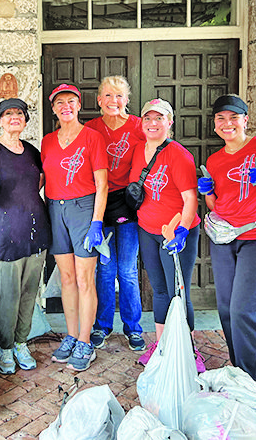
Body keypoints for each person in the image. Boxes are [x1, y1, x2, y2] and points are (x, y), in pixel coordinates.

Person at [198, 94, 256, 385]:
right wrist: (208, 192)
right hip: (224, 236)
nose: (227, 124)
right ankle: (240, 370)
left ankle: (253, 381)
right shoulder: (215, 160)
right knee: (224, 307)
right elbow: (216, 205)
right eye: (221, 119)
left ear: (245, 120)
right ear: (214, 125)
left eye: (233, 117)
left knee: (242, 308)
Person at [0, 98, 51, 374]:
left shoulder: (31, 151)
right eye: (8, 114)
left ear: (26, 120)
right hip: (5, 237)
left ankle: (21, 342)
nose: (14, 117)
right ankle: (5, 347)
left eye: (19, 113)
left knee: (30, 293)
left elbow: (38, 183)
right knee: (8, 297)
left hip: (35, 233)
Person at [131, 98, 204, 372]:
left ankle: (189, 349)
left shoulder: (179, 155)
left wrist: (183, 230)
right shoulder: (139, 150)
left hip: (176, 232)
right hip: (148, 230)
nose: (152, 123)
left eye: (159, 118)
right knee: (160, 290)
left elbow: (190, 199)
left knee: (179, 292)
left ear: (169, 123)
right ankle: (162, 347)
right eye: (148, 118)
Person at [41, 84, 108, 372]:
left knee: (84, 279)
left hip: (84, 208)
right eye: (60, 102)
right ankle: (70, 334)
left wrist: (96, 222)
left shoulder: (93, 138)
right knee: (66, 278)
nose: (65, 106)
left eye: (71, 101)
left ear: (79, 105)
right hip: (55, 208)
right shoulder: (47, 141)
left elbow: (102, 184)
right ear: (53, 108)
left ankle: (85, 340)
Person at [84, 77, 146, 352]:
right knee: (106, 271)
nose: (113, 101)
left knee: (129, 271)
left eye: (119, 96)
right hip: (101, 203)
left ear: (127, 99)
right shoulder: (91, 128)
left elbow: (156, 153)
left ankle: (133, 328)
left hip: (129, 202)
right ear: (99, 100)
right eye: (108, 95)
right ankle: (103, 325)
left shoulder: (138, 126)